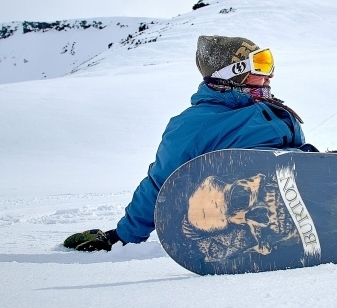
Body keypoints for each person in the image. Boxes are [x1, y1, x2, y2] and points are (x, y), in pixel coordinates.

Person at [63, 35, 310, 252]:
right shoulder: (195, 124)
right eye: (261, 65)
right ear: (234, 72)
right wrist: (123, 237)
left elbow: (295, 159)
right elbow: (161, 183)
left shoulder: (274, 112)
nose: (270, 74)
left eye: (269, 63)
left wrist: (326, 165)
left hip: (290, 204)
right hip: (230, 220)